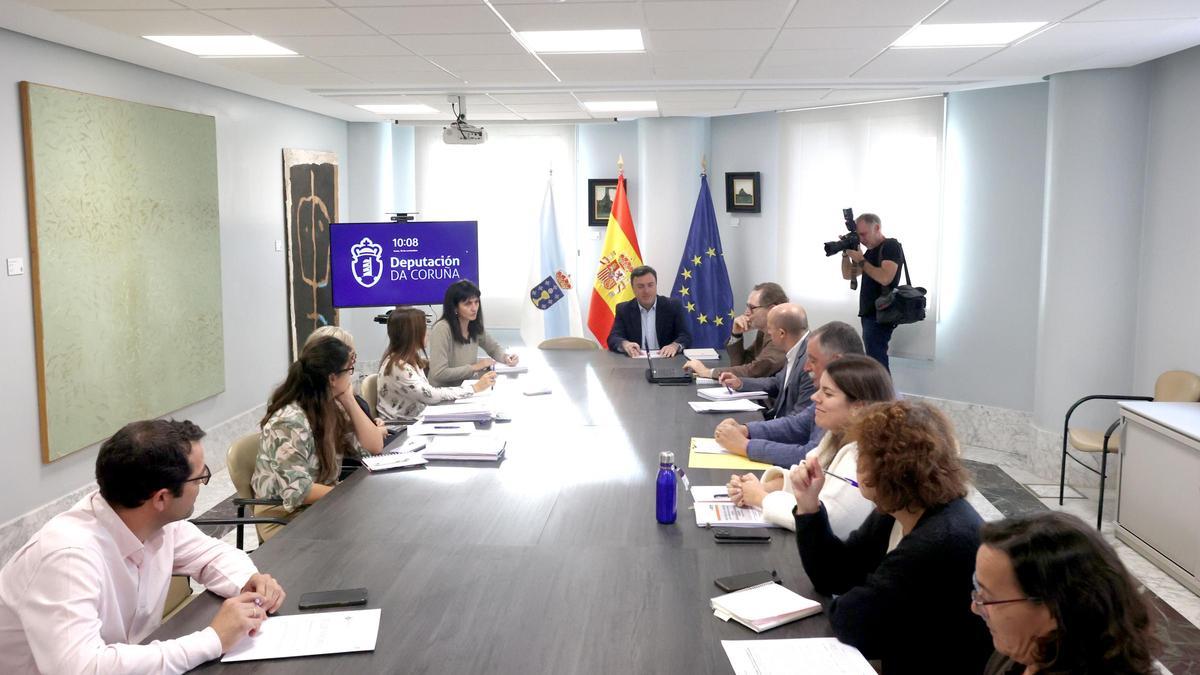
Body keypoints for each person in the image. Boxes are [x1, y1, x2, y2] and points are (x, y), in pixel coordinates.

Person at [0, 419, 286, 673]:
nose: (204, 483)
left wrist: (249, 584)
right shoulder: (67, 558)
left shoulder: (148, 519)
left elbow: (212, 555)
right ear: (161, 498)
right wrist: (213, 639)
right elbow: (83, 668)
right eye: (200, 477)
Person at [791, 400, 992, 674]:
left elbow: (853, 621)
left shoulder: (939, 541)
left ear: (884, 466)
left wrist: (860, 593)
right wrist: (808, 506)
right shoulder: (901, 509)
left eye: (861, 454)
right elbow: (834, 574)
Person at [974, 512, 1160, 675]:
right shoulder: (1018, 654)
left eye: (988, 599)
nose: (975, 607)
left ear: (1053, 608)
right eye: (978, 591)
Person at [725, 355, 892, 536]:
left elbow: (831, 522)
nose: (814, 397)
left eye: (827, 393)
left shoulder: (861, 457)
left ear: (858, 407)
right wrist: (762, 487)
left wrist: (762, 498)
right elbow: (807, 481)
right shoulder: (834, 437)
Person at [252, 336, 384, 541]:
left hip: (321, 503)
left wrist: (349, 399)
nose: (351, 377)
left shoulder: (331, 406)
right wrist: (345, 496)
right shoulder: (289, 422)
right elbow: (298, 491)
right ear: (332, 378)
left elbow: (373, 446)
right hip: (285, 516)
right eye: (349, 371)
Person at [714, 321, 864, 466]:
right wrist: (746, 429)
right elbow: (796, 425)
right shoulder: (836, 392)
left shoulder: (851, 401)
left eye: (812, 360)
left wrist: (746, 446)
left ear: (837, 362)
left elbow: (811, 455)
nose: (806, 368)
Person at [377, 307, 496, 431]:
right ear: (412, 333)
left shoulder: (409, 359)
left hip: (414, 422)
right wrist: (474, 388)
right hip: (400, 429)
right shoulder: (398, 367)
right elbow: (431, 396)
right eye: (424, 328)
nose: (427, 333)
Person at [717, 303, 812, 419]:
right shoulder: (797, 348)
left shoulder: (810, 362)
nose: (769, 335)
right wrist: (740, 383)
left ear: (782, 333)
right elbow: (777, 383)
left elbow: (798, 421)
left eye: (770, 331)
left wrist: (748, 430)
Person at [683, 281, 788, 379]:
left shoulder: (782, 334)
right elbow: (743, 363)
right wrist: (736, 335)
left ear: (772, 309)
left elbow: (756, 371)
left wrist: (707, 372)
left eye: (752, 308)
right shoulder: (764, 332)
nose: (746, 312)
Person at [304, 325, 387, 445]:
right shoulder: (322, 405)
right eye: (351, 359)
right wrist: (376, 432)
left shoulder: (341, 392)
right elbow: (371, 446)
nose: (352, 365)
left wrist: (371, 424)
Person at [842, 212, 903, 372]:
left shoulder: (891, 246)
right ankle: (882, 394)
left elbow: (885, 278)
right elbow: (848, 274)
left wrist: (861, 260)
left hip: (882, 313)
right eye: (859, 235)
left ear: (877, 227)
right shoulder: (869, 252)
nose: (861, 239)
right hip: (870, 313)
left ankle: (884, 395)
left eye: (864, 234)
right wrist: (845, 253)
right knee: (874, 360)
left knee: (877, 363)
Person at [428, 280, 517, 387]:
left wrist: (506, 358)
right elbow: (439, 373)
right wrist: (475, 367)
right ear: (455, 307)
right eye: (468, 304)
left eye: (476, 302)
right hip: (442, 393)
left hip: (465, 389)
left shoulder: (474, 325)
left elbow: (493, 348)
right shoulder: (442, 329)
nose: (474, 308)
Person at [607, 265, 691, 357]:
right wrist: (625, 344)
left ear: (656, 285)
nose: (646, 291)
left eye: (650, 285)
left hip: (666, 359)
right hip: (635, 360)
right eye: (640, 286)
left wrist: (674, 346)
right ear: (633, 288)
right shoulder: (624, 309)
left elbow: (686, 335)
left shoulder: (673, 306)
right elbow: (613, 337)